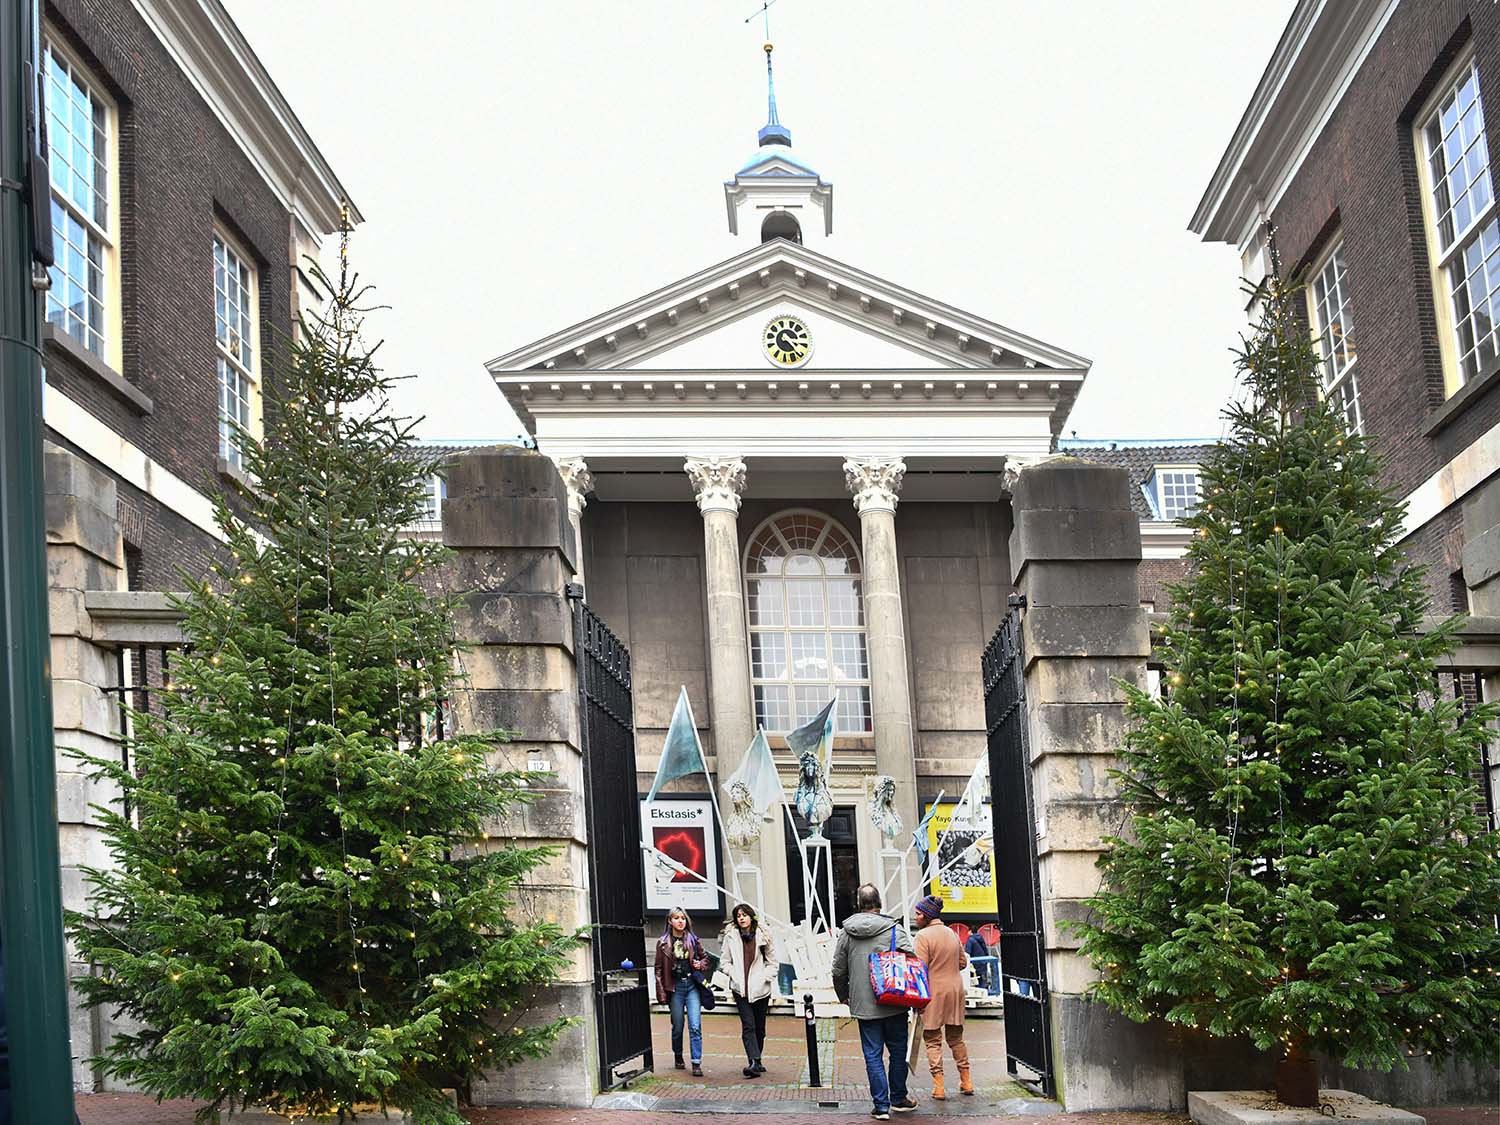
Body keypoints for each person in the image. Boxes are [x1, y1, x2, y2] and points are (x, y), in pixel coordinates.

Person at [832, 883, 919, 1119]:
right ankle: (899, 1097)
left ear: (858, 905)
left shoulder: (847, 931)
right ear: (879, 903)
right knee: (898, 1051)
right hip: (894, 1001)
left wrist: (843, 995)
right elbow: (912, 960)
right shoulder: (894, 929)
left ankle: (881, 1106)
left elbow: (838, 969)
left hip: (863, 1003)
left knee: (873, 1055)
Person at [912, 895, 971, 1099]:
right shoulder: (952, 934)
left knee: (933, 1040)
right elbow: (962, 963)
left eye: (918, 914)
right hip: (955, 990)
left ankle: (939, 1086)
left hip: (933, 992)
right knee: (956, 1038)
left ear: (927, 916)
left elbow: (919, 969)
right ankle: (966, 1080)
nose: (915, 917)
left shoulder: (922, 936)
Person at [717, 902, 776, 1078]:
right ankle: (754, 1061)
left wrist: (765, 977)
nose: (741, 918)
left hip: (760, 989)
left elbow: (772, 962)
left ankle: (757, 1060)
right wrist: (732, 974)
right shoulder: (731, 936)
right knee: (748, 1025)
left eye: (744, 915)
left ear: (751, 916)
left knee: (760, 1028)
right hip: (740, 988)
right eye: (738, 916)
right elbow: (724, 961)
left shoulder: (763, 934)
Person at [653, 906, 709, 1076]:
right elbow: (658, 970)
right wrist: (661, 992)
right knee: (677, 1026)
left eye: (683, 918)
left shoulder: (693, 939)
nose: (680, 921)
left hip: (692, 986)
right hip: (675, 988)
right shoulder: (663, 942)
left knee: (695, 1025)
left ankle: (696, 1062)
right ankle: (678, 1055)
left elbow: (706, 959)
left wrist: (701, 964)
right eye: (676, 918)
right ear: (670, 921)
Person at [964, 927, 994, 992]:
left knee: (977, 978)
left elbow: (967, 953)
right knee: (983, 977)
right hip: (983, 960)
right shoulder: (980, 937)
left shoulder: (970, 940)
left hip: (976, 962)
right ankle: (985, 991)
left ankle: (980, 994)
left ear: (970, 931)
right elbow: (985, 949)